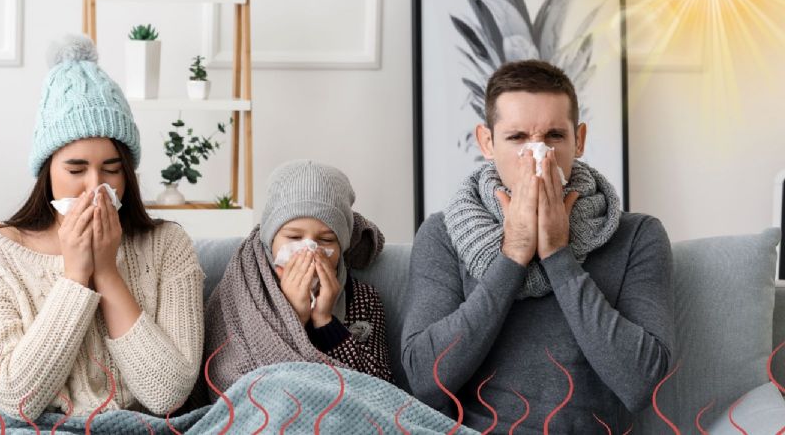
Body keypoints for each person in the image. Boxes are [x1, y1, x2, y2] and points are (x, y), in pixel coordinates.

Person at [401, 60, 674, 433]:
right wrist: (513, 255)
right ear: (487, 142)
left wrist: (559, 256)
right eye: (517, 138)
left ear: (579, 140)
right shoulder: (443, 233)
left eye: (554, 137)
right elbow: (424, 380)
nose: (537, 155)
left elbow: (643, 383)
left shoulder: (637, 235)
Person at [0, 35, 205, 428]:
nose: (94, 187)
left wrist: (106, 271)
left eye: (111, 169)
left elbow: (167, 394)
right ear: (47, 171)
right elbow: (11, 401)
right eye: (75, 170)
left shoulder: (167, 245)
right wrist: (75, 276)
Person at [203, 160, 393, 394]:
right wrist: (294, 318)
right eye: (293, 237)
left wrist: (325, 321)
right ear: (270, 239)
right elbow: (228, 382)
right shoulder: (241, 292)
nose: (309, 250)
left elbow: (381, 388)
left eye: (325, 240)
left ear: (342, 245)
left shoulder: (363, 299)